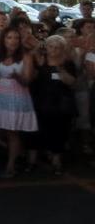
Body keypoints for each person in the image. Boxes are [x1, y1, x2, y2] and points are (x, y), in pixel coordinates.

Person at [0, 27, 37, 177]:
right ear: (3, 40)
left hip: (16, 96)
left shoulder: (26, 56)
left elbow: (27, 81)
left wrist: (17, 76)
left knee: (12, 132)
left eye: (16, 38)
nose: (13, 41)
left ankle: (10, 166)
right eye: (9, 38)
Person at [30, 35, 77, 175]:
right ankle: (32, 161)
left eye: (58, 47)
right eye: (51, 46)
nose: (54, 50)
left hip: (61, 104)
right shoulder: (40, 61)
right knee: (37, 131)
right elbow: (33, 77)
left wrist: (61, 70)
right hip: (41, 101)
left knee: (59, 131)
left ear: (63, 49)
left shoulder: (68, 63)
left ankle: (57, 160)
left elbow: (72, 82)